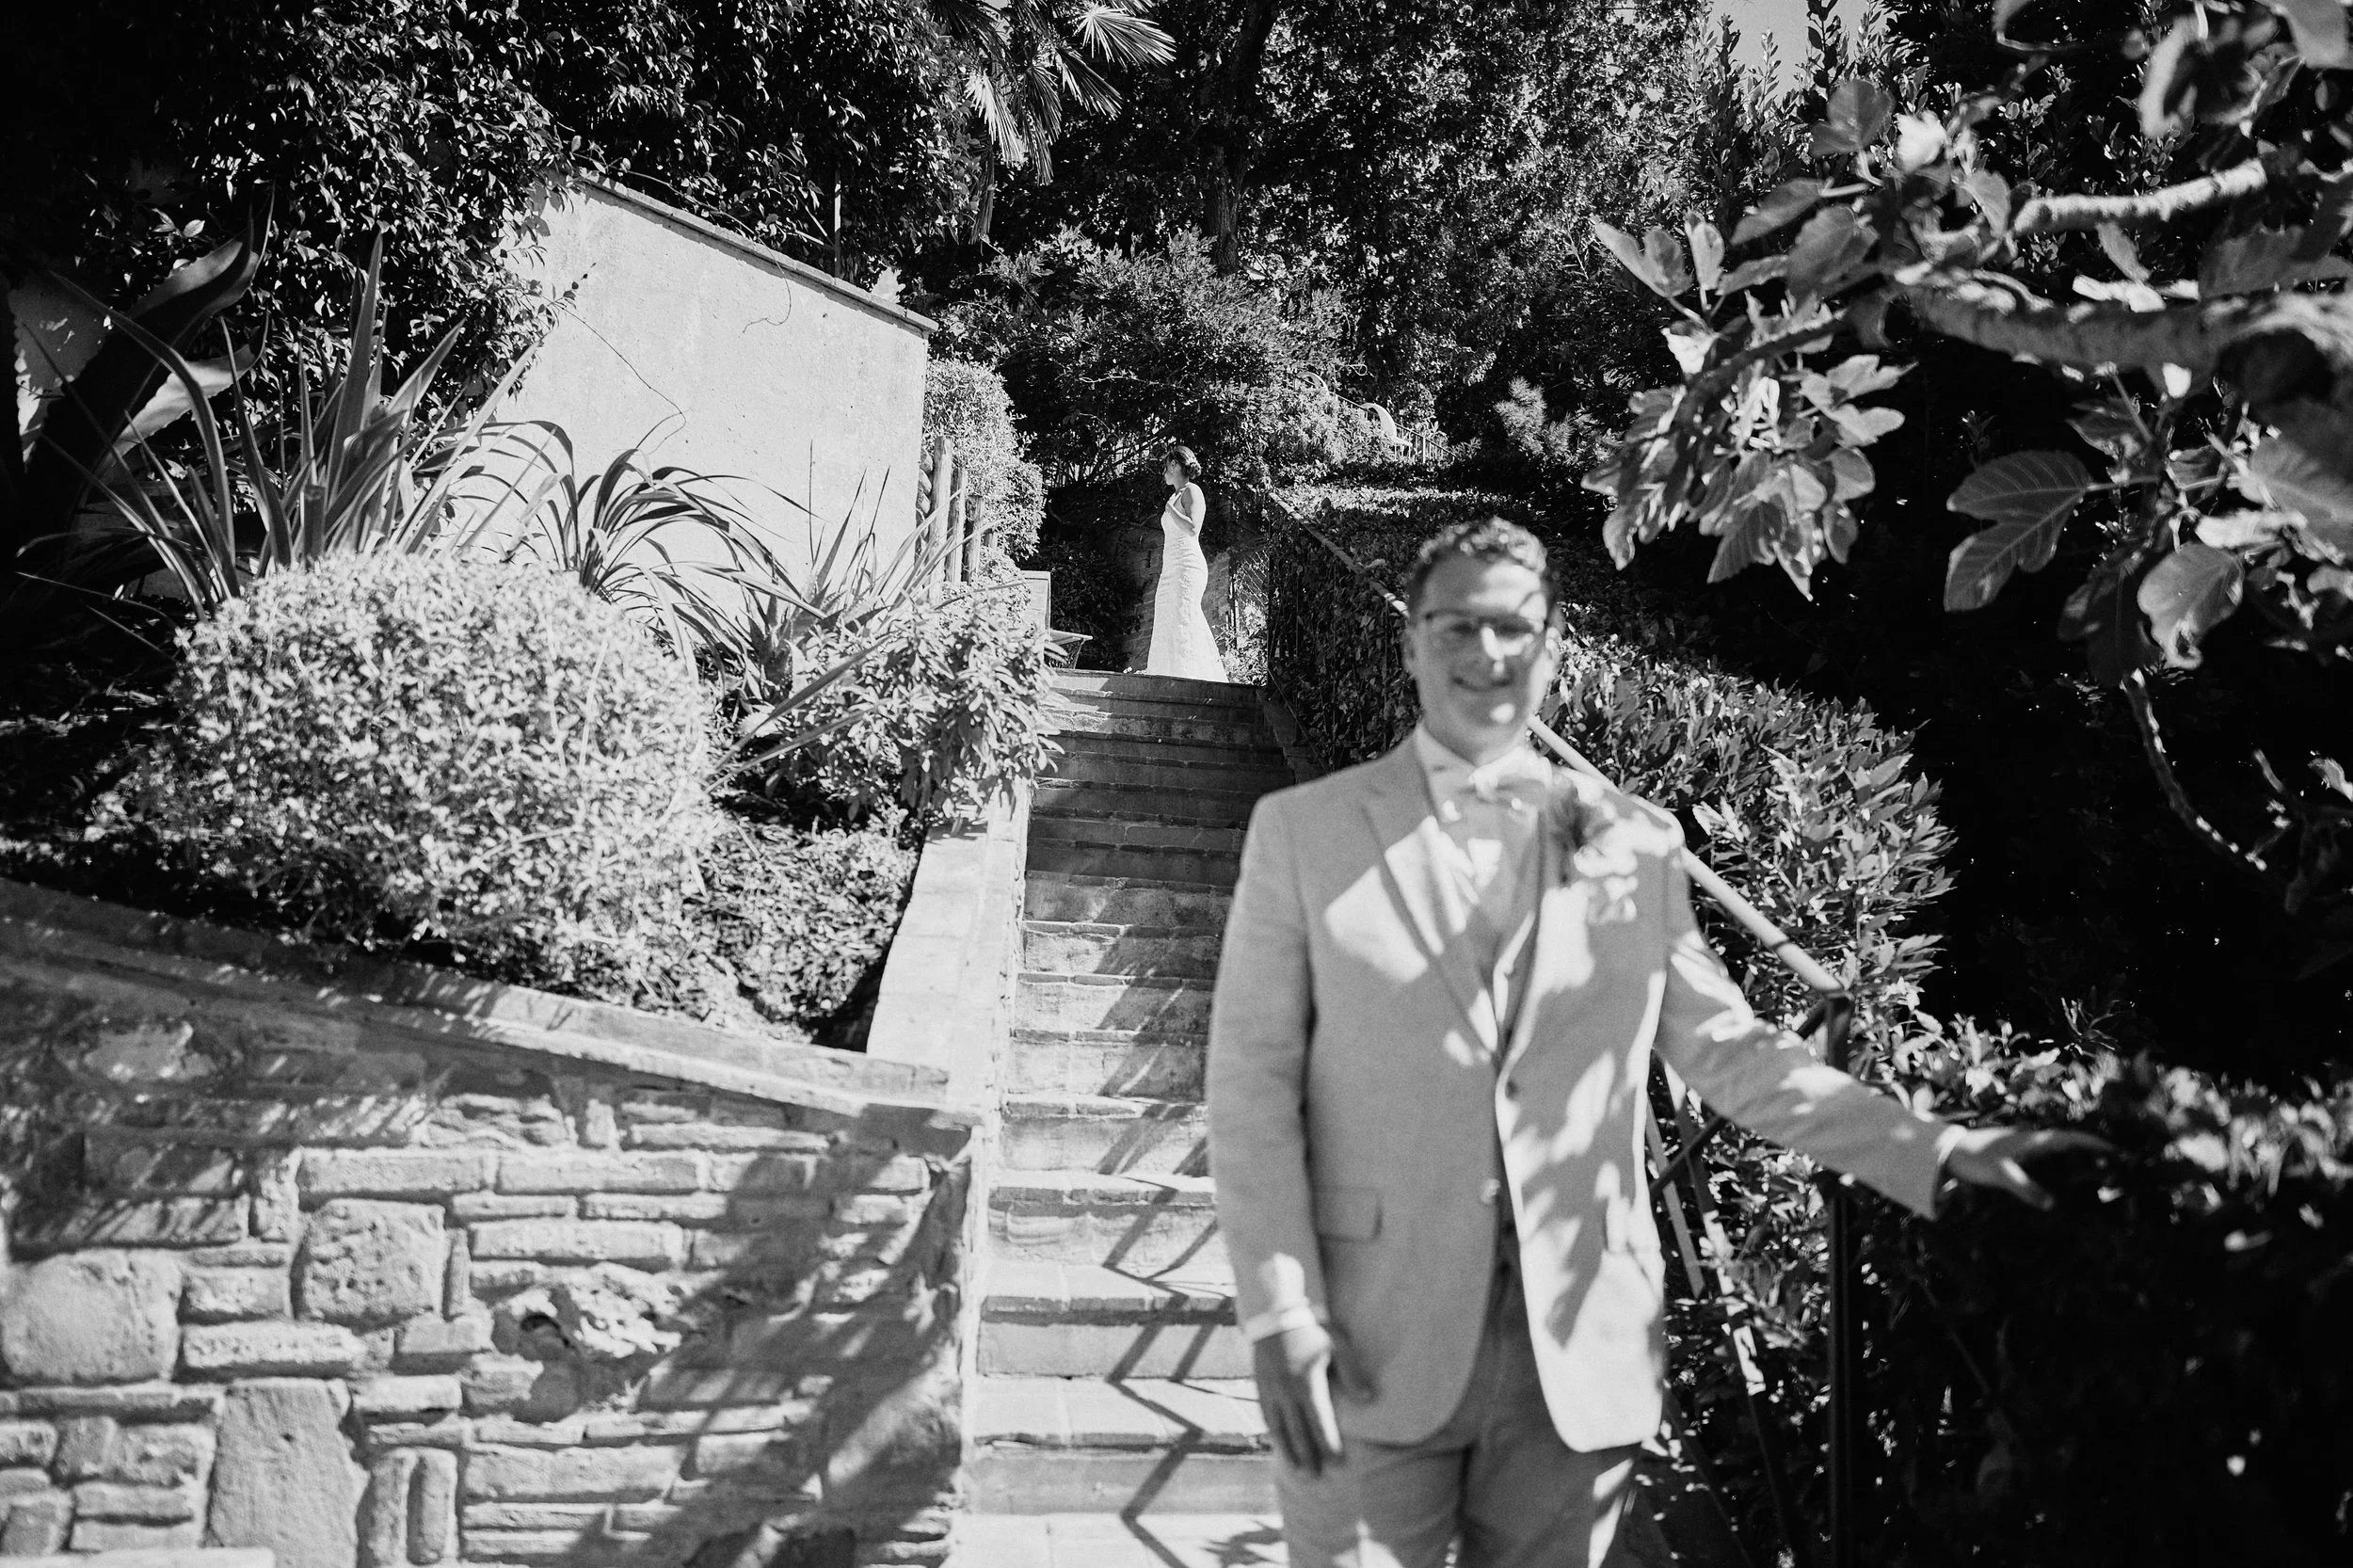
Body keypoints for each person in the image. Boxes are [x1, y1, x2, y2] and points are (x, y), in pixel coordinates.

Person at [1206, 517, 2102, 1568]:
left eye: (1513, 628)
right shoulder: (1302, 833)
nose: (1485, 654)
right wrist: (1278, 1312)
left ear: (1546, 647)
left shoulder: (1635, 842)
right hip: (1362, 1344)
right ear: (1409, 641)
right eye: (1455, 625)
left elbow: (1729, 1052)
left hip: (1577, 1358)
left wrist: (1937, 1153)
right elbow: (1251, 1092)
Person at [1144, 446, 1230, 681]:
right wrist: (1171, 507)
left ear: (1174, 465)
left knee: (1183, 617)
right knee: (1166, 620)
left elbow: (1193, 528)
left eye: (1165, 466)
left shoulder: (1193, 491)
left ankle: (1192, 680)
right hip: (1170, 568)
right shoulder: (1174, 496)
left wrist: (1171, 510)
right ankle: (1165, 680)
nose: (1163, 472)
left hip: (1187, 566)